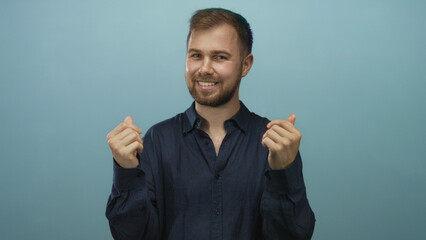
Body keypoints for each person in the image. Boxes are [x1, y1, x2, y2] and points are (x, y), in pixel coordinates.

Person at [106, 8, 315, 240]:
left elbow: (294, 236)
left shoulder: (274, 144)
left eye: (220, 57)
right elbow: (132, 236)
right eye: (196, 55)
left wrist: (283, 173)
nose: (204, 68)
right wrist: (126, 171)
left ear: (246, 65)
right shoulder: (157, 140)